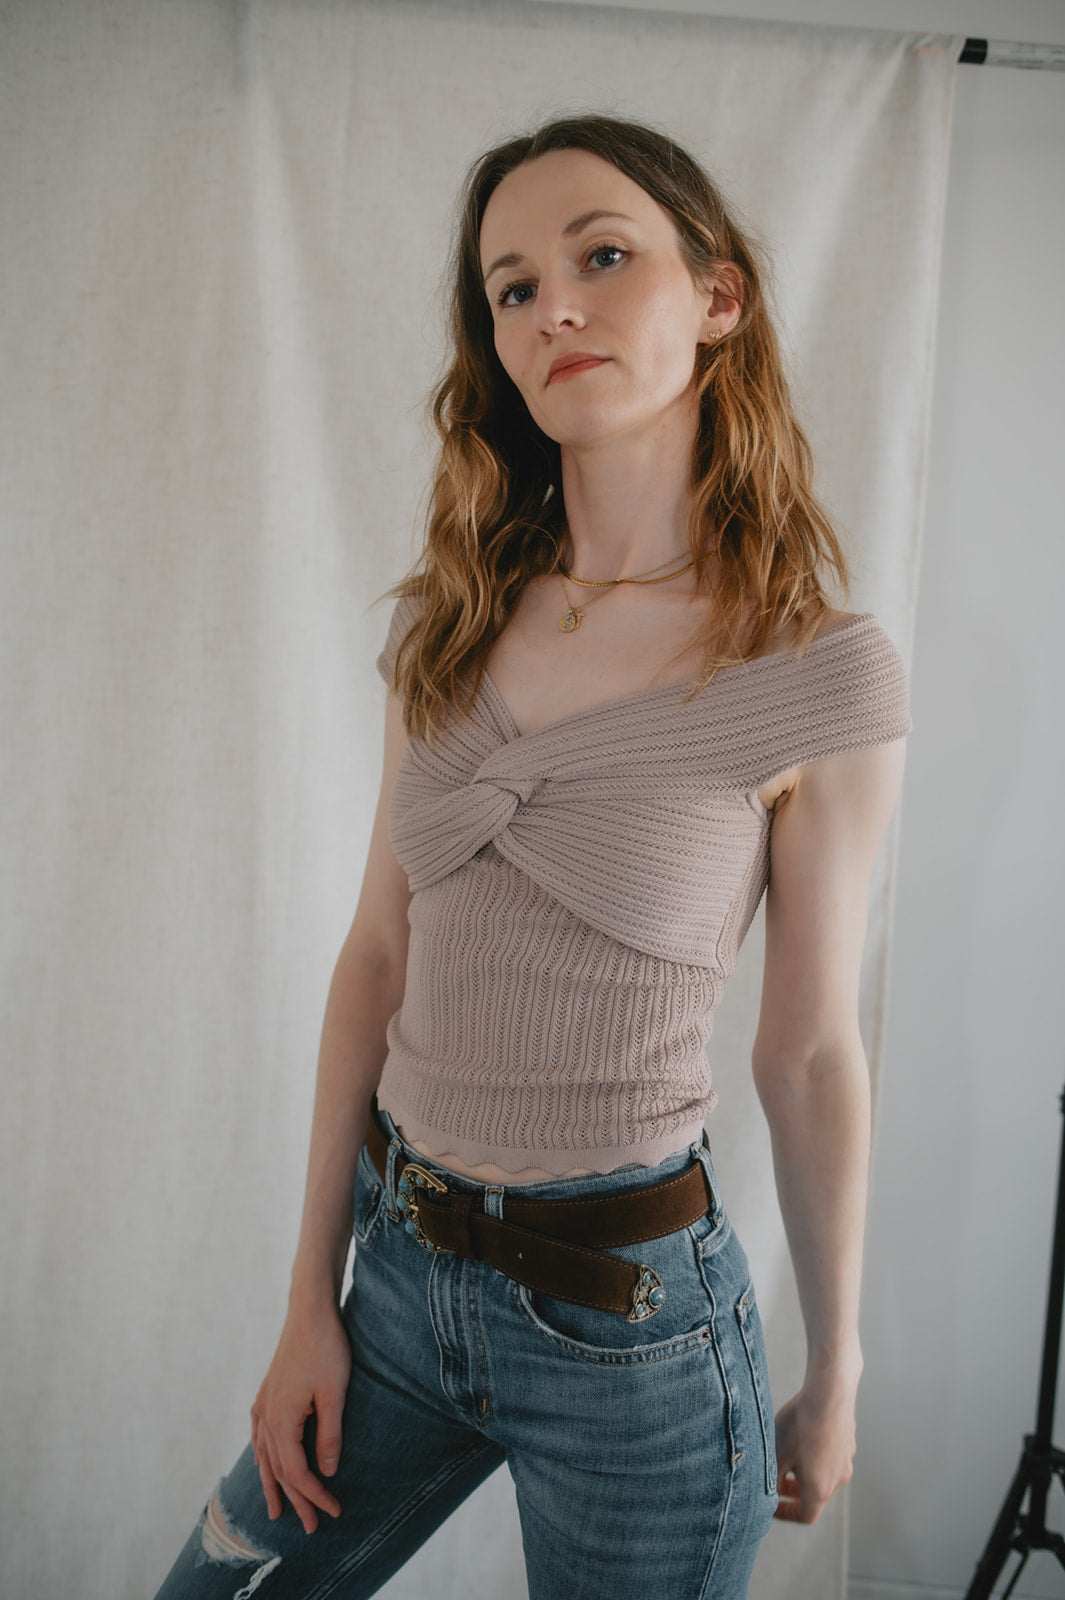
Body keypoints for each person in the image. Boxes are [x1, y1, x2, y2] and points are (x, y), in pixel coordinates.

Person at [153, 111, 911, 1600]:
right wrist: (309, 1299)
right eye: (512, 287)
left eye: (600, 256)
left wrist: (837, 1367)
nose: (552, 306)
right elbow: (377, 958)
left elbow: (812, 1051)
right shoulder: (444, 628)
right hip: (399, 1282)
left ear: (719, 297)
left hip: (636, 1328)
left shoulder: (816, 670)